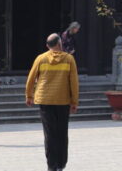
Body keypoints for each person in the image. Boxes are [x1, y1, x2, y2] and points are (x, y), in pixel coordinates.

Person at [25, 33, 79, 171]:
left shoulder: (41, 58)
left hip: (45, 100)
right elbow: (74, 82)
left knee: (49, 133)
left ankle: (51, 165)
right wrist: (74, 101)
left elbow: (31, 79)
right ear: (60, 44)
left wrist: (29, 96)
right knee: (62, 132)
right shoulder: (69, 59)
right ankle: (61, 163)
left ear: (47, 45)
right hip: (63, 100)